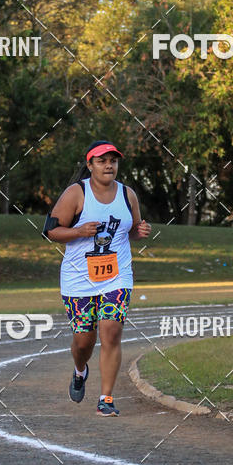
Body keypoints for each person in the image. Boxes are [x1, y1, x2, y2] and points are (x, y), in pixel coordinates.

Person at [43, 140, 151, 416]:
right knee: (83, 341)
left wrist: (139, 232)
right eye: (102, 161)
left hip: (117, 276)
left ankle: (106, 398)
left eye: (113, 161)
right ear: (90, 165)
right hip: (78, 279)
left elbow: (131, 230)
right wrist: (79, 232)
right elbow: (51, 231)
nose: (109, 165)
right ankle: (80, 370)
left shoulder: (128, 195)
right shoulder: (76, 193)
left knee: (111, 331)